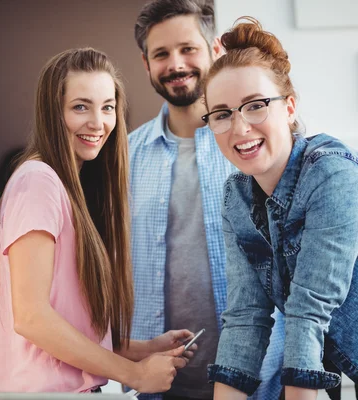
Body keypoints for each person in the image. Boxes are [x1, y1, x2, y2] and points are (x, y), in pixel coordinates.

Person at [0, 48, 197, 395]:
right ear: (54, 112)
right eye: (81, 106)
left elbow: (70, 324)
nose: (98, 122)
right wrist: (134, 374)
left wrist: (142, 349)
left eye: (107, 107)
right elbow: (32, 318)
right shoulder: (39, 181)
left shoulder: (72, 189)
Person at [128, 1, 284, 399]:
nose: (176, 64)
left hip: (260, 378)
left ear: (215, 49)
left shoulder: (252, 145)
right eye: (161, 54)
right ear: (146, 64)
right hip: (155, 384)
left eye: (187, 48)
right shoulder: (123, 157)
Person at [202, 17, 358, 400]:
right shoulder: (236, 196)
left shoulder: (332, 174)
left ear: (289, 108)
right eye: (222, 114)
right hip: (329, 364)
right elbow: (245, 319)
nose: (239, 129)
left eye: (255, 106)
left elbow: (308, 312)